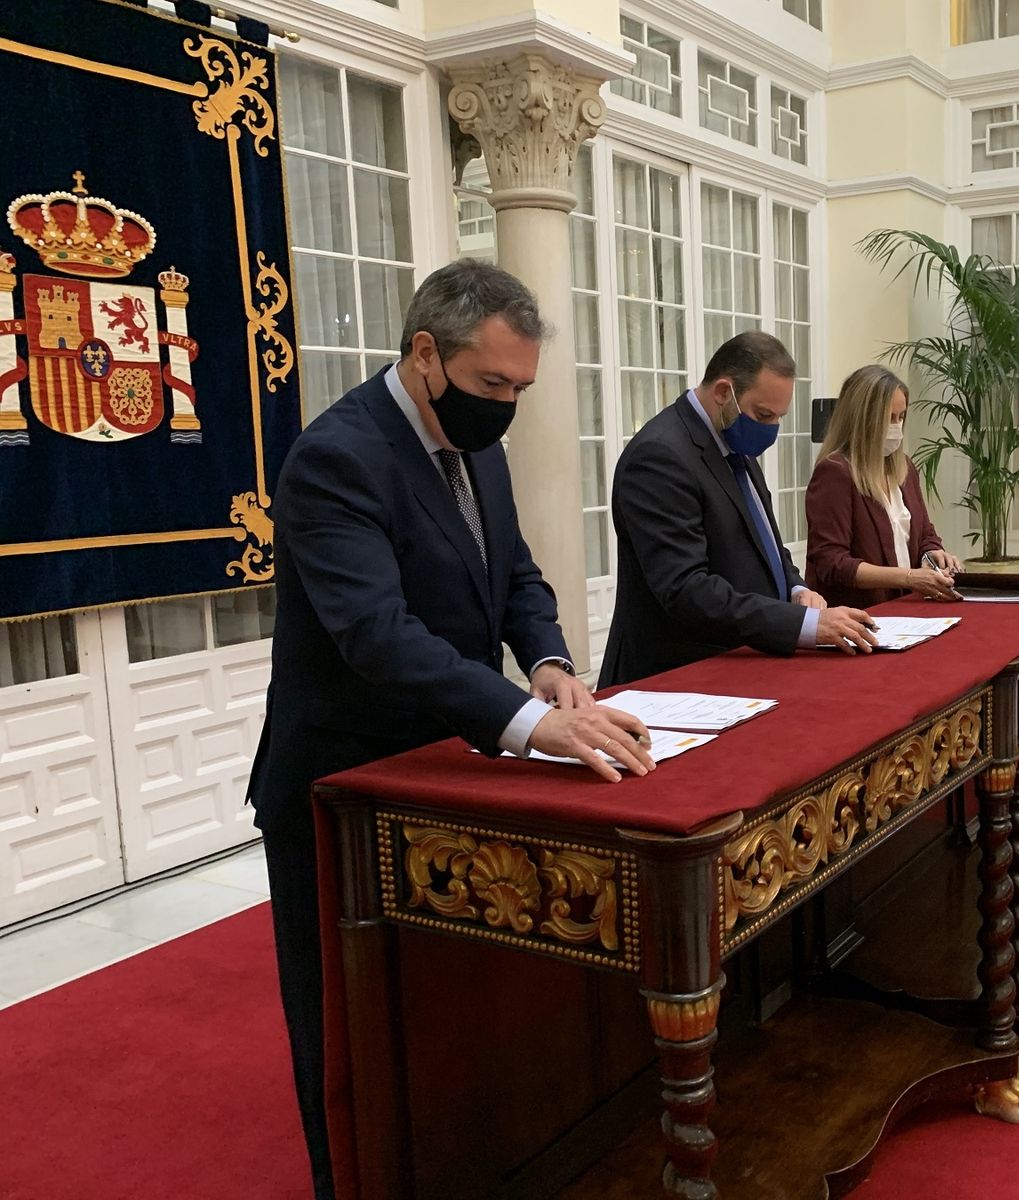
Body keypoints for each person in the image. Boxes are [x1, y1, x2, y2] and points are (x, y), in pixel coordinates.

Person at [246, 260, 653, 1199]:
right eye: (490, 385)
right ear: (425, 353)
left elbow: (514, 576)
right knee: (345, 1022)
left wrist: (549, 669)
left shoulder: (481, 450)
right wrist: (523, 725)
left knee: (443, 1008)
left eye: (520, 388)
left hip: (437, 764)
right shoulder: (338, 455)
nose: (504, 406)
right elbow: (375, 635)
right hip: (339, 782)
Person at [601, 331, 878, 687]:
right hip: (678, 676)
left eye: (779, 417)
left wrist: (795, 590)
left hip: (743, 665)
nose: (771, 429)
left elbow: (766, 546)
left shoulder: (733, 440)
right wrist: (804, 625)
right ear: (722, 393)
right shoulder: (660, 456)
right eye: (763, 415)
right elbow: (686, 589)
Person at [805, 364, 962, 609]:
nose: (896, 427)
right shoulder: (835, 472)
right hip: (861, 616)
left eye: (901, 417)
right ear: (861, 419)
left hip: (906, 611)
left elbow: (925, 534)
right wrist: (910, 577)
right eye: (888, 418)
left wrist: (932, 553)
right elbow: (832, 562)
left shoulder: (905, 469)